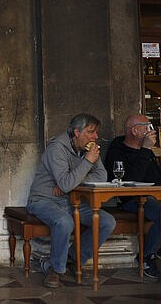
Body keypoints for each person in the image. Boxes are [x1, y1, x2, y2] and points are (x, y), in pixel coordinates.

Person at [27, 113, 116, 288]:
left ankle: (72, 260)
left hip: (70, 200)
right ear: (77, 132)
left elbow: (101, 176)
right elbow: (66, 183)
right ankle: (55, 270)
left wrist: (73, 181)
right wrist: (84, 166)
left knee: (107, 221)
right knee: (64, 222)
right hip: (42, 200)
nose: (95, 137)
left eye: (96, 132)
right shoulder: (57, 148)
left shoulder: (88, 149)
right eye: (91, 132)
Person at [104, 114, 161, 279]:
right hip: (133, 199)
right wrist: (145, 150)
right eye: (147, 127)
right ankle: (146, 256)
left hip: (154, 196)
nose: (152, 131)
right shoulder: (118, 150)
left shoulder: (146, 152)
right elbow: (129, 180)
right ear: (135, 130)